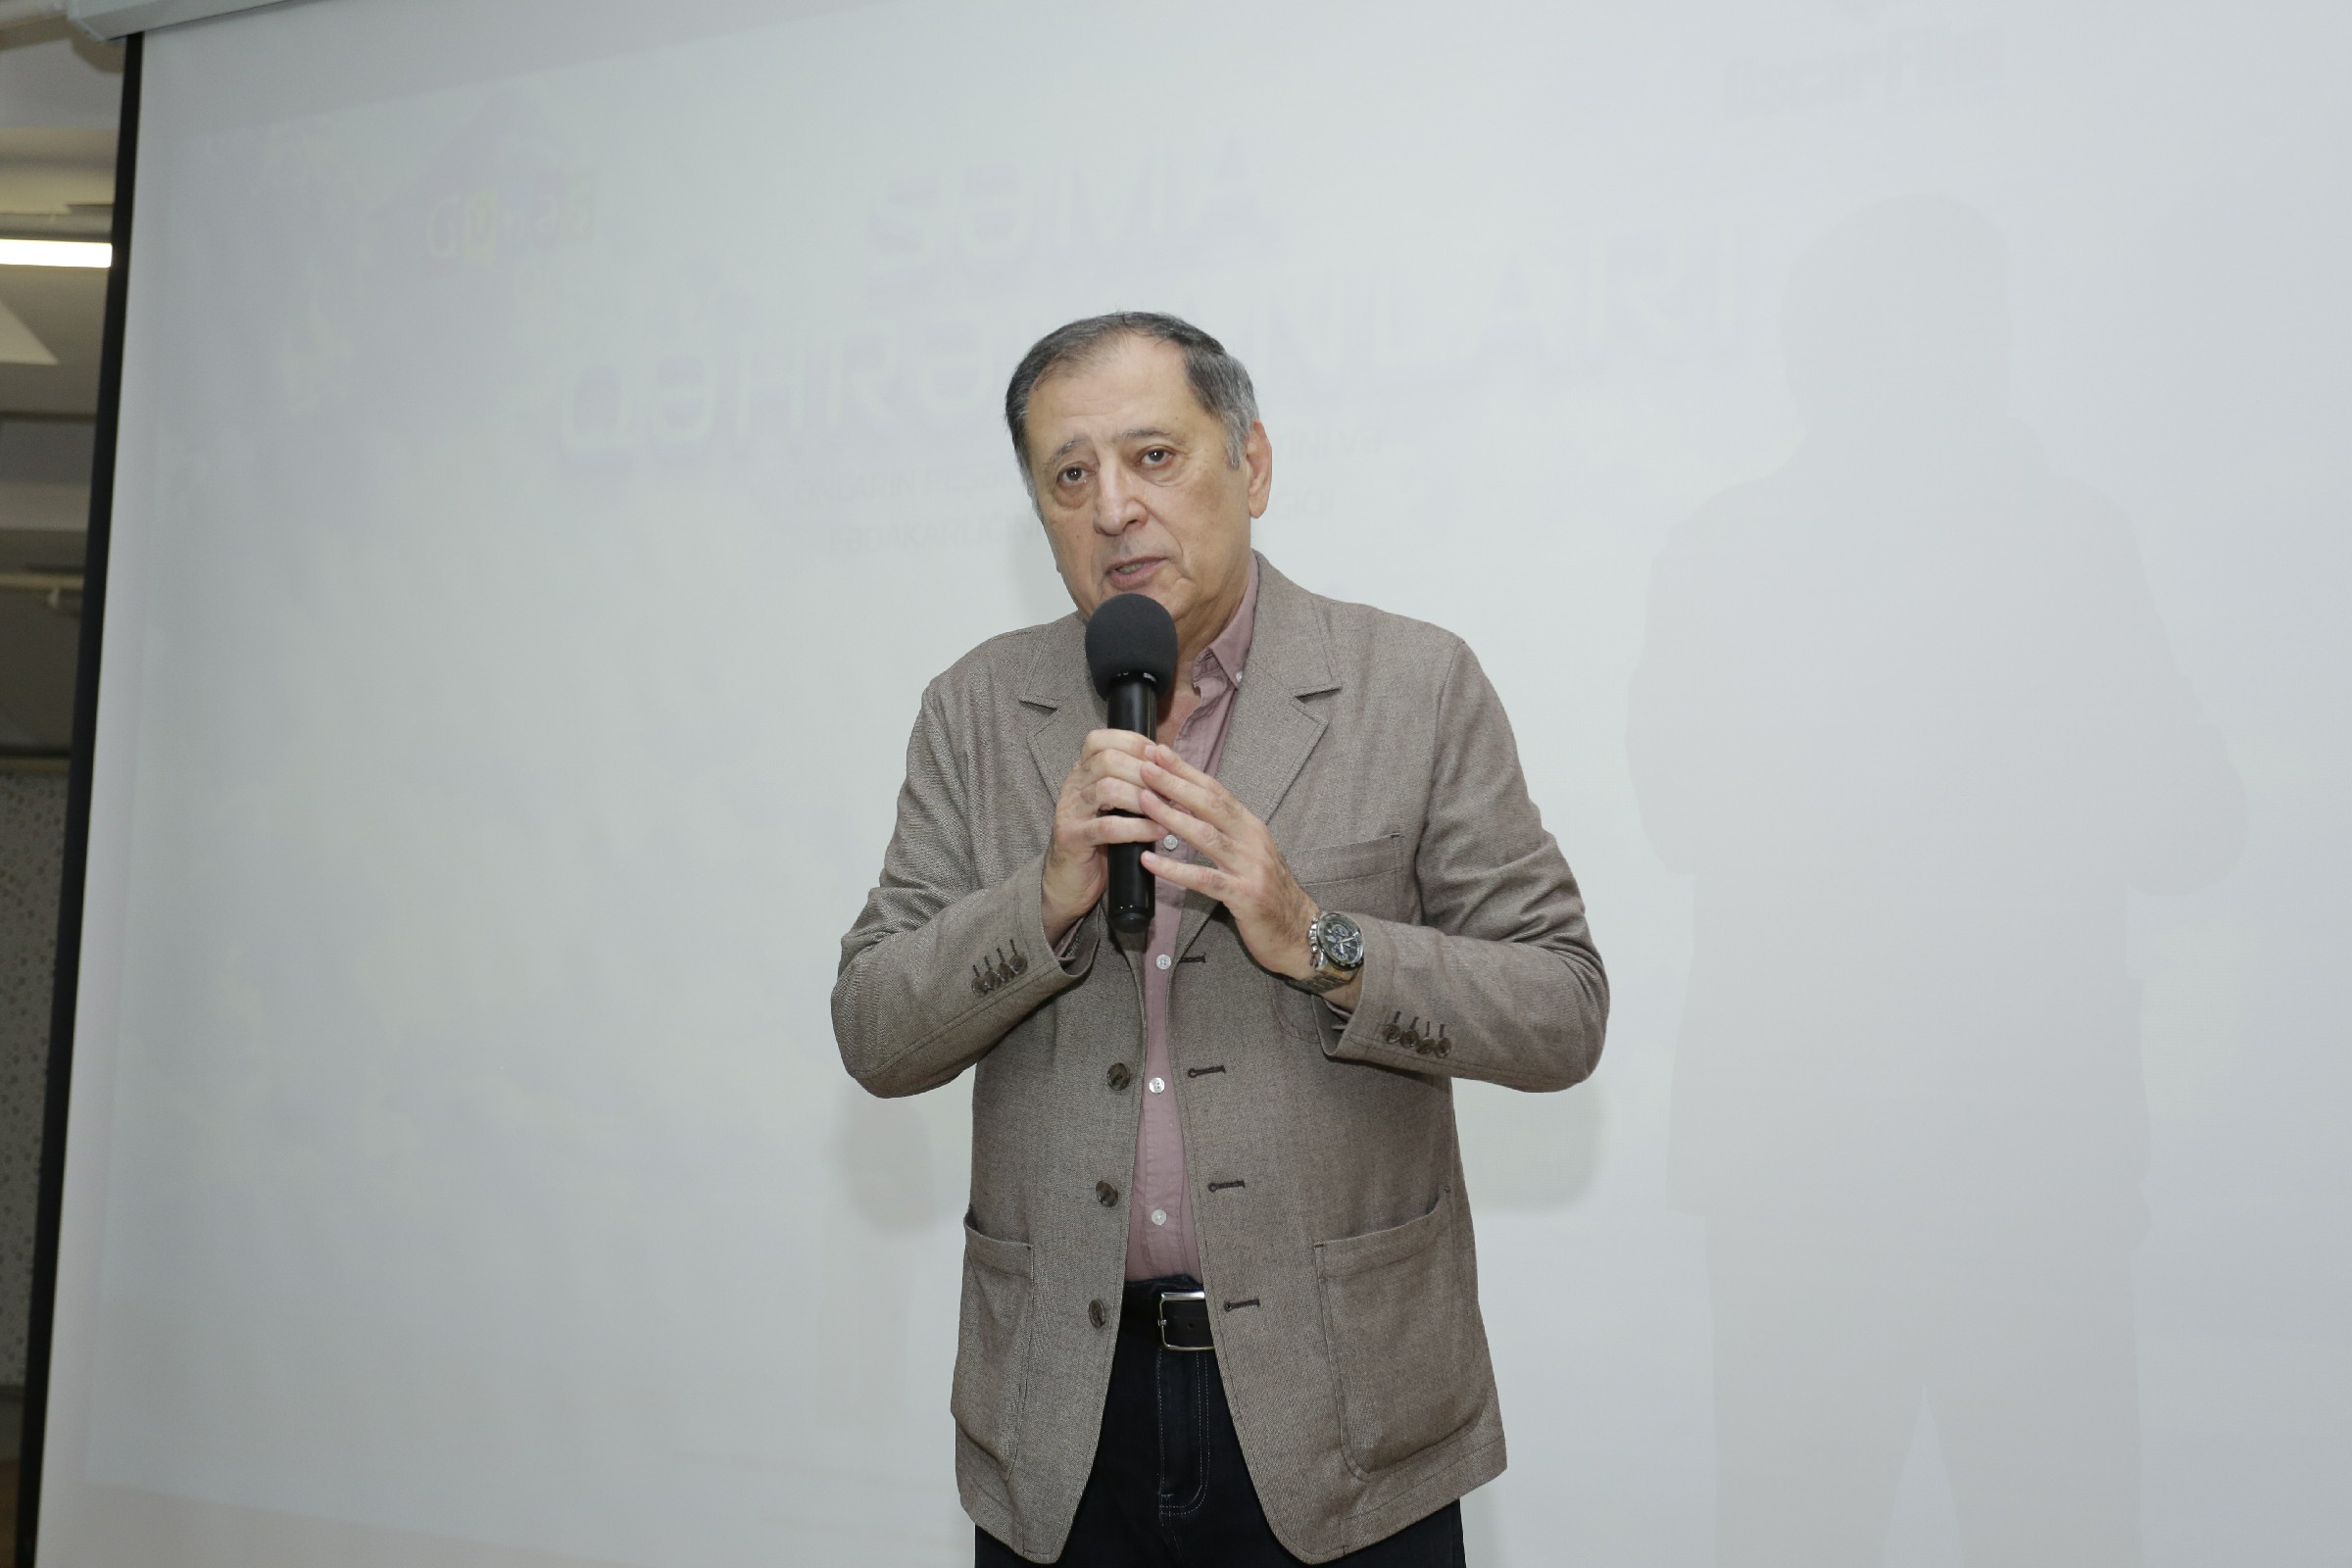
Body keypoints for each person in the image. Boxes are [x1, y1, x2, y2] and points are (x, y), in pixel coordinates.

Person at [833, 312, 1606, 1566]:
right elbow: (873, 1027)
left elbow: (1562, 1008)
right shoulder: (976, 709)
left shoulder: (1412, 684)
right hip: (1062, 1420)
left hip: (1346, 1413)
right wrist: (1041, 901)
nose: (1114, 508)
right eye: (1069, 475)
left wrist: (1317, 937)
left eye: (1154, 456)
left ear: (1251, 465)